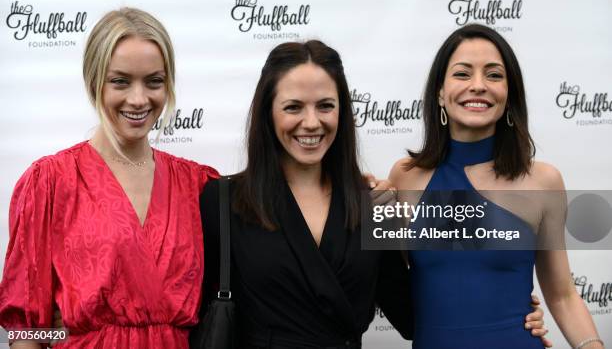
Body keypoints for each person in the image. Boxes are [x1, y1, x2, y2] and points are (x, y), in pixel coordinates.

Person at [194, 40, 549, 349]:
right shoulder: (221, 201)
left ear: (343, 112)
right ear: (267, 113)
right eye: (293, 107)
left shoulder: (372, 204)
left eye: (325, 106)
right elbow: (193, 315)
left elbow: (412, 314)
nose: (312, 122)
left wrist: (510, 304)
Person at [0, 8, 218, 348]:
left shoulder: (197, 185)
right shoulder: (51, 182)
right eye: (120, 81)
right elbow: (26, 331)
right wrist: (67, 333)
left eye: (154, 81)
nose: (138, 98)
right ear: (94, 81)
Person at [388, 24, 603, 349]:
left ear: (509, 94)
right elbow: (384, 283)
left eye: (494, 75)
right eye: (462, 74)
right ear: (440, 93)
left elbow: (562, 296)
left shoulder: (543, 181)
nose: (478, 86)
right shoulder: (404, 177)